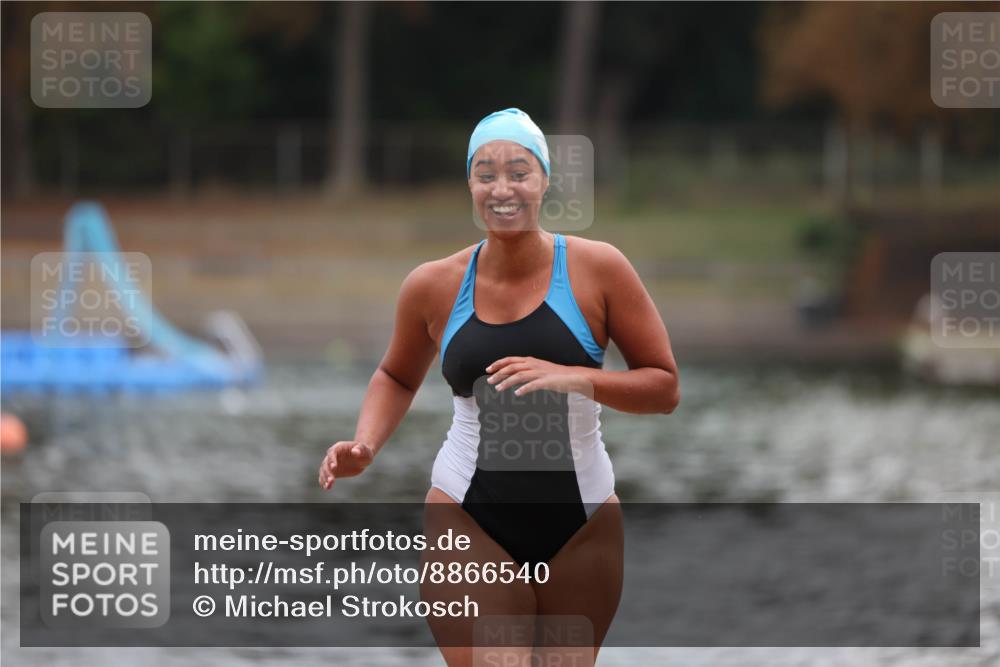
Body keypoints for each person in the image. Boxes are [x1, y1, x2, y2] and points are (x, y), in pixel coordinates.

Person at [318, 108, 679, 666]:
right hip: (468, 513)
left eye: (519, 171)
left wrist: (578, 378)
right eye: (485, 173)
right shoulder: (433, 285)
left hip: (581, 522)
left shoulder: (599, 270)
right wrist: (365, 445)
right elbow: (395, 374)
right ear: (469, 183)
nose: (502, 188)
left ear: (544, 180)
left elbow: (664, 387)